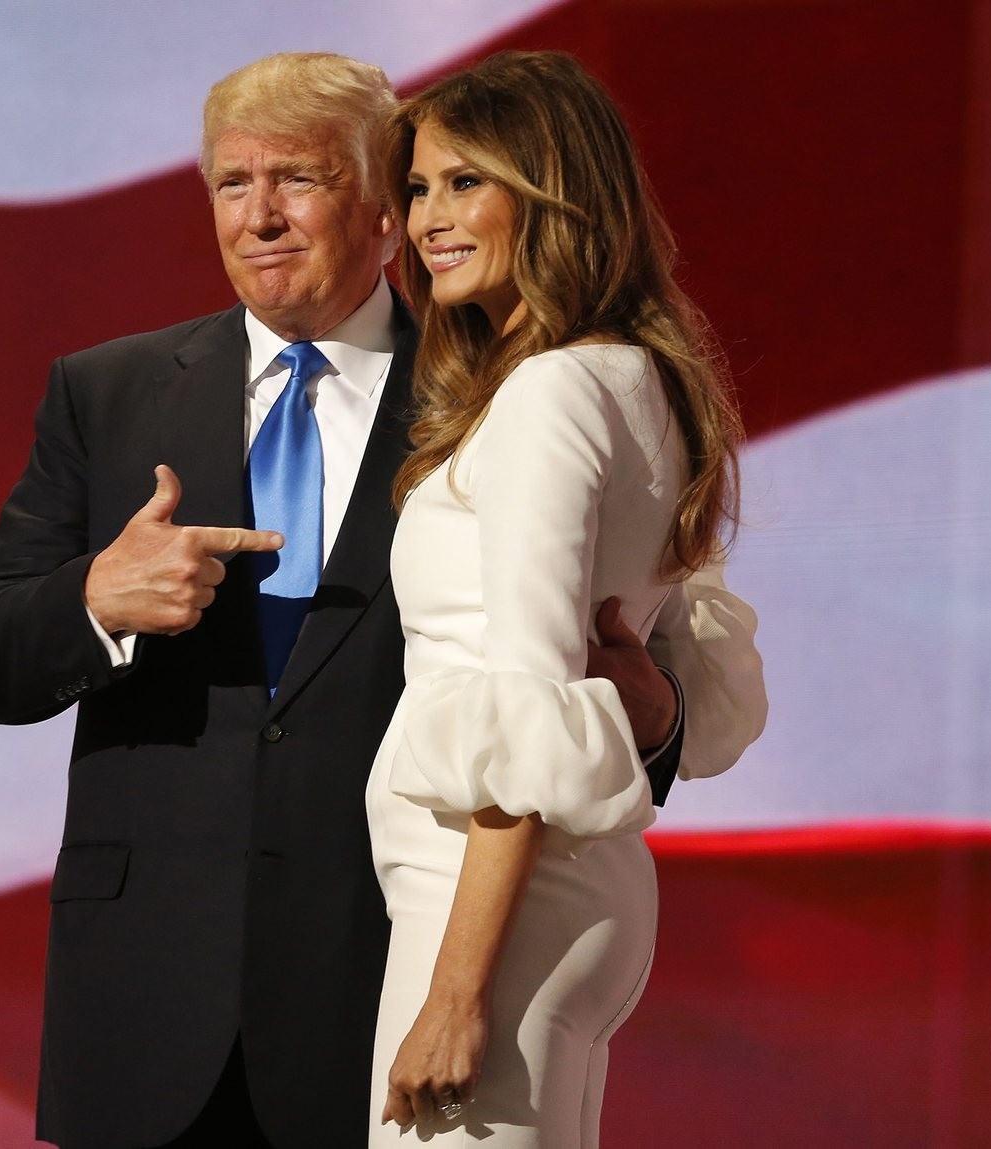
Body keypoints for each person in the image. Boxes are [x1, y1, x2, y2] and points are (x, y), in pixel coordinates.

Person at [0, 52, 765, 1149]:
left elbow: (654, 648)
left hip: (386, 970)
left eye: (299, 179)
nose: (261, 216)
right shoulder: (106, 392)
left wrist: (652, 713)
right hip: (145, 998)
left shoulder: (496, 379)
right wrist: (95, 596)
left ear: (382, 209)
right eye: (232, 184)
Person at [364, 50, 765, 1147]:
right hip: (565, 899)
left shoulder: (549, 393)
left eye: (465, 182)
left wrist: (453, 998)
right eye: (417, 187)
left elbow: (530, 707)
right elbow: (677, 693)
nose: (427, 218)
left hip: (495, 908)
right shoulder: (635, 377)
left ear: (551, 193)